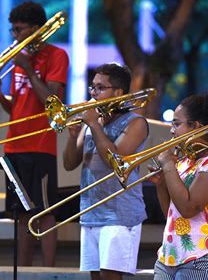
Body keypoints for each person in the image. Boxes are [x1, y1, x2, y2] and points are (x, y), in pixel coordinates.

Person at [0, 1, 69, 266]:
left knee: (44, 212)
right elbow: (18, 108)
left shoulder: (56, 56)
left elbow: (51, 102)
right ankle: (22, 271)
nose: (14, 36)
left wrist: (29, 68)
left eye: (19, 30)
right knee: (21, 214)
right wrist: (0, 96)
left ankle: (48, 271)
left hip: (40, 145)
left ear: (35, 29)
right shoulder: (19, 61)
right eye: (12, 30)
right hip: (14, 145)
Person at [63, 62, 148, 280]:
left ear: (118, 92)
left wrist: (94, 125)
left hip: (120, 213)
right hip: (91, 210)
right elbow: (70, 163)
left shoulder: (136, 122)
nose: (93, 93)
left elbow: (115, 160)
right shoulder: (93, 121)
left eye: (100, 88)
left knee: (110, 276)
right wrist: (72, 137)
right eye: (92, 87)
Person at [150, 90, 208, 280]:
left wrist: (168, 166)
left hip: (202, 260)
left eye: (176, 124)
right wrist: (161, 185)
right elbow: (172, 215)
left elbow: (189, 208)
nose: (171, 130)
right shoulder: (183, 162)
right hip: (167, 259)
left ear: (196, 126)